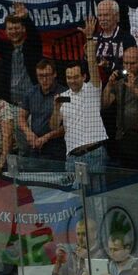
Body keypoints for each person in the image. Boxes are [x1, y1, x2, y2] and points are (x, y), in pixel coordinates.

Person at [53, 22, 110, 178]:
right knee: (76, 200)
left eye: (76, 77)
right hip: (72, 158)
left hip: (94, 154)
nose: (72, 80)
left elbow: (92, 64)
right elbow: (53, 126)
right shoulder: (63, 97)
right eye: (69, 77)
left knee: (99, 200)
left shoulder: (92, 89)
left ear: (84, 77)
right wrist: (56, 108)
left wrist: (89, 38)